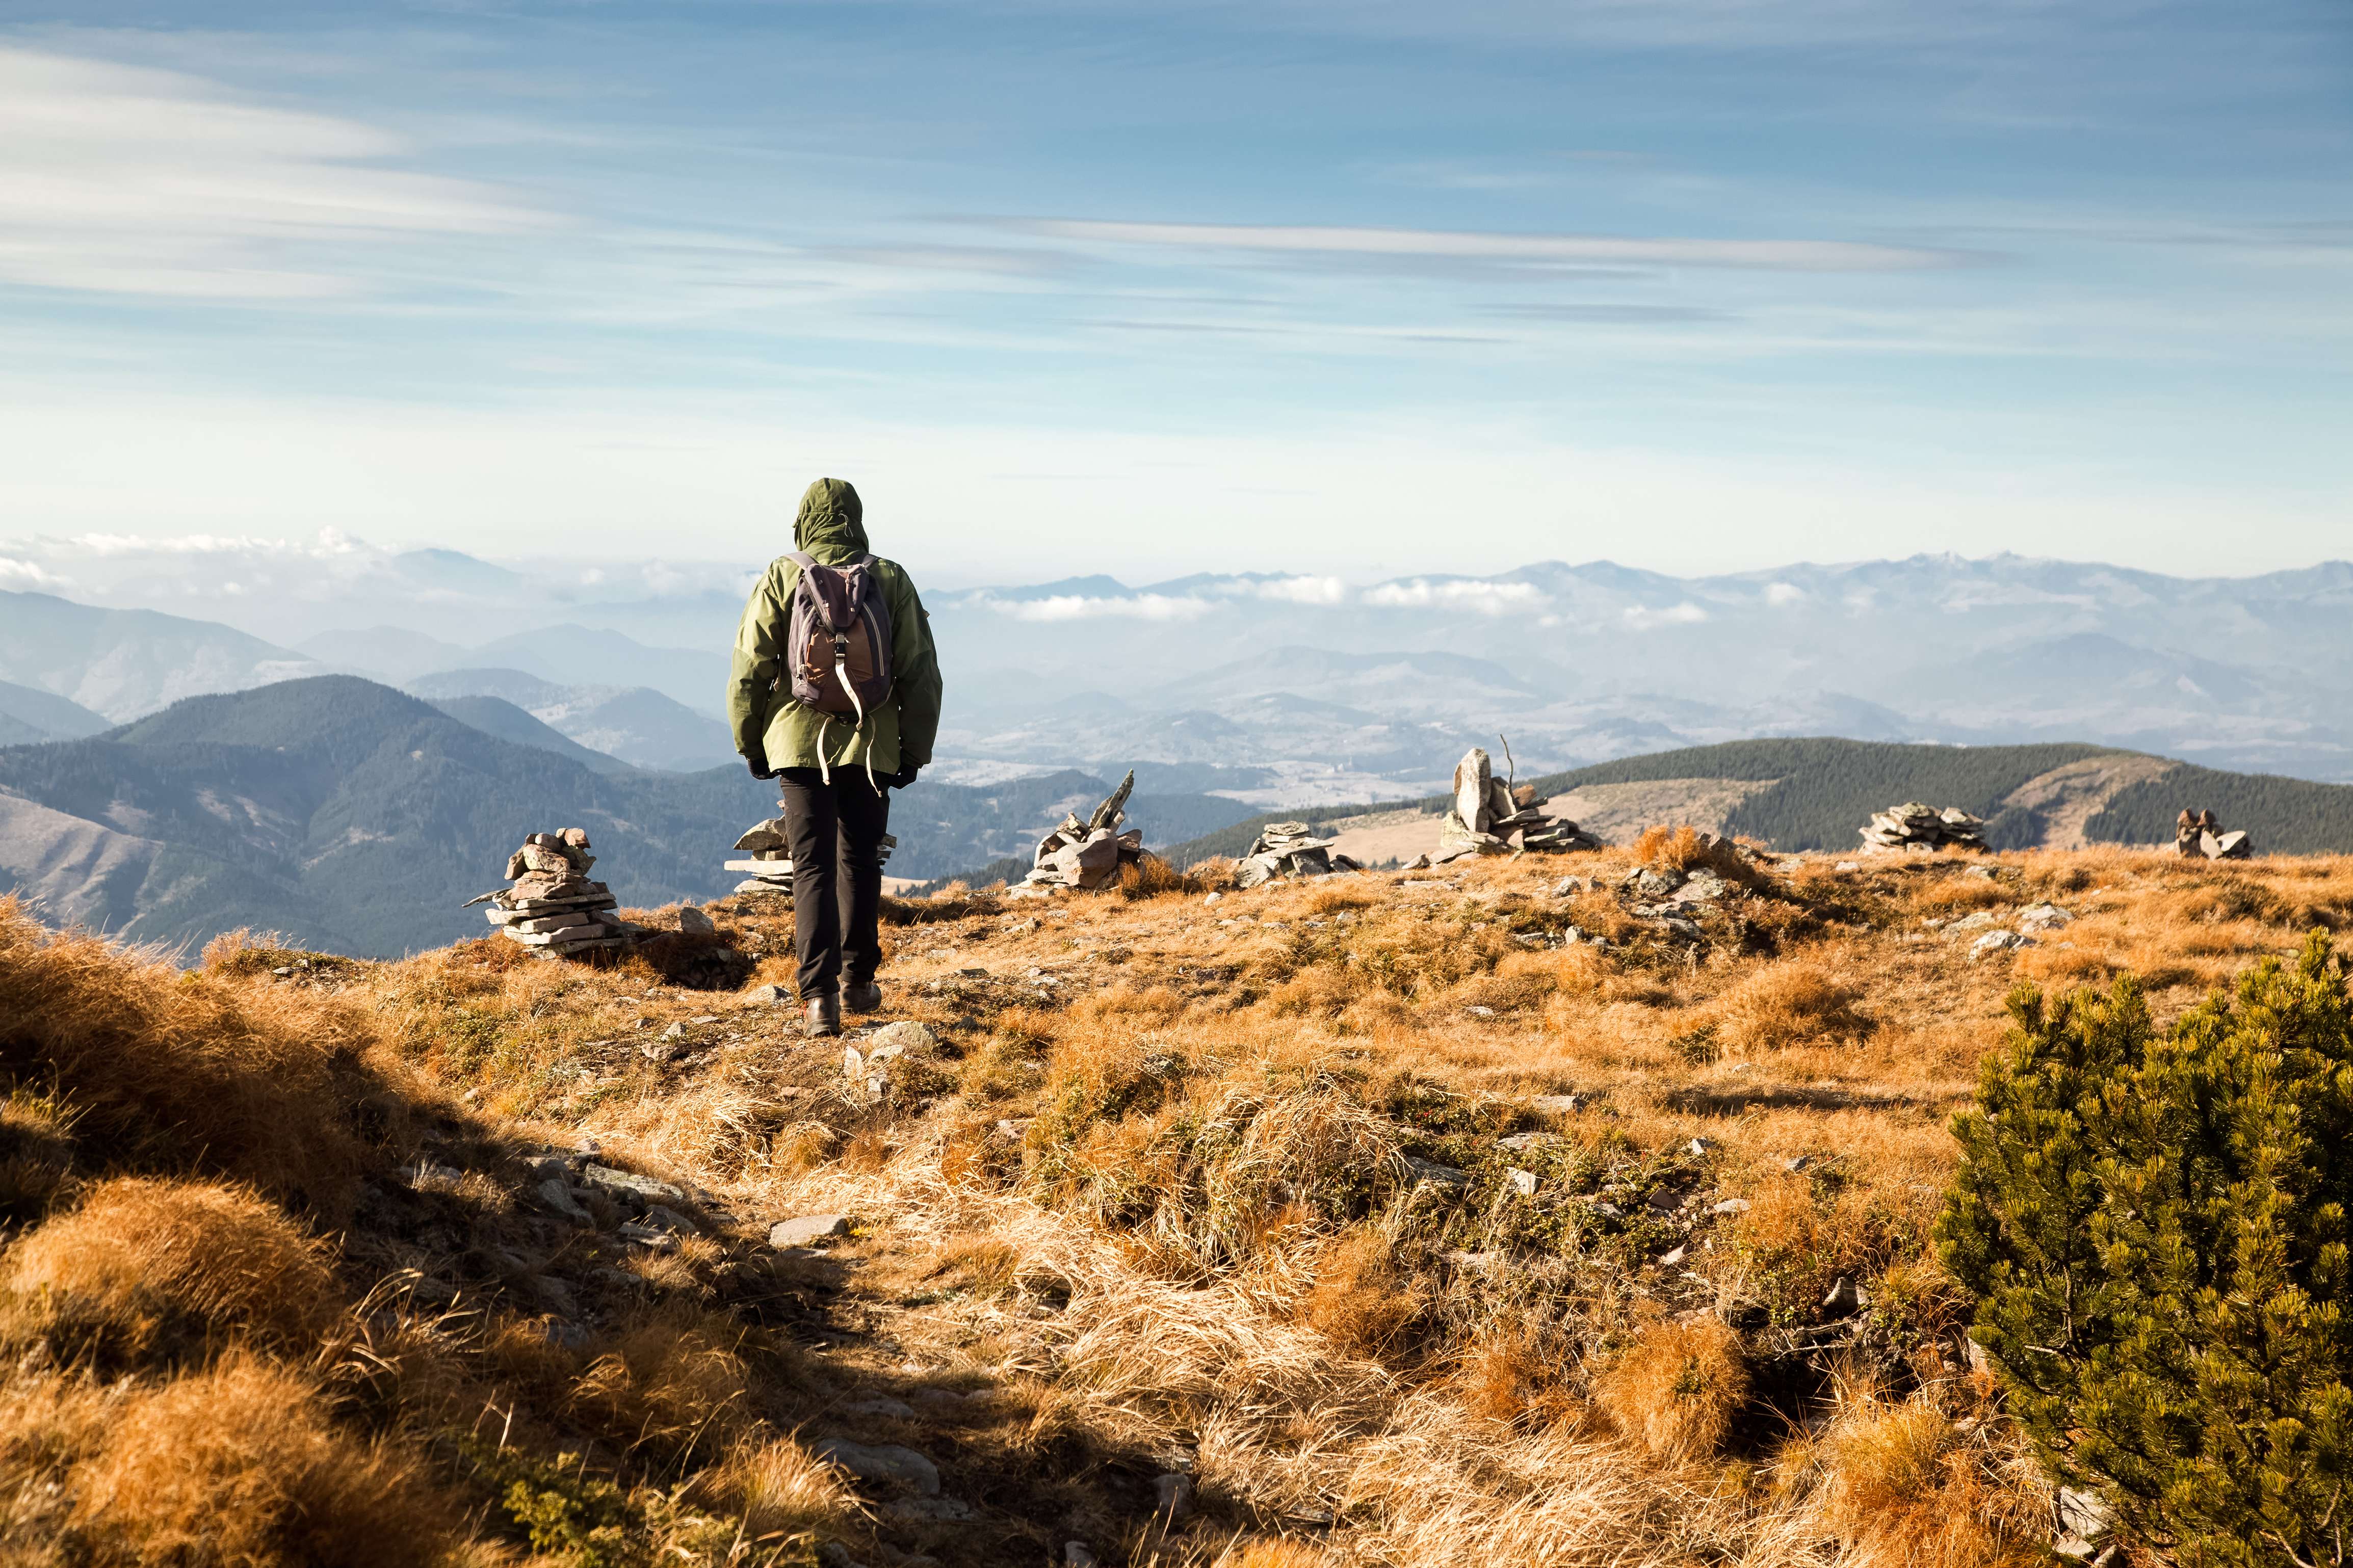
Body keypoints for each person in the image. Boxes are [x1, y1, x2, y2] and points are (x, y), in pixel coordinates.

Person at [728, 478, 942, 1036]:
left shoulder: (782, 574)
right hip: (873, 743)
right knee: (859, 861)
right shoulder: (889, 577)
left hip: (797, 742)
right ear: (856, 518)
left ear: (803, 519)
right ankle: (858, 982)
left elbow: (751, 664)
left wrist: (752, 740)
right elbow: (921, 671)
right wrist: (912, 749)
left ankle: (819, 999)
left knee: (812, 867)